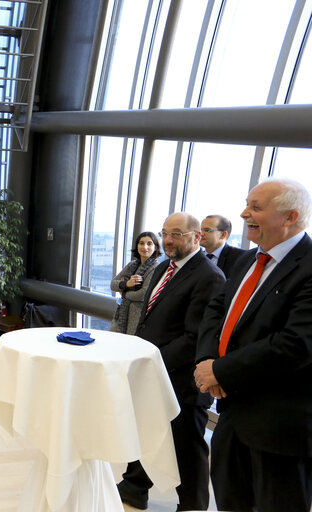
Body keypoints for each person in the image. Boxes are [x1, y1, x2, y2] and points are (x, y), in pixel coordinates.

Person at [194, 178, 312, 512]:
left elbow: (295, 344)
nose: (244, 213)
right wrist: (206, 362)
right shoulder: (247, 260)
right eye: (247, 203)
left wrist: (220, 370)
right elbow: (217, 310)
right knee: (230, 502)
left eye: (256, 207)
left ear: (290, 217)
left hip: (281, 428)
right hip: (233, 412)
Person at [116, 212, 225, 511]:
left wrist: (151, 359)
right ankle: (134, 487)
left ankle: (193, 505)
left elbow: (195, 338)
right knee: (146, 430)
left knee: (187, 447)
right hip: (155, 371)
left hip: (184, 379)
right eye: (165, 233)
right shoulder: (166, 266)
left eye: (176, 234)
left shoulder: (209, 277)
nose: (167, 240)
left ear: (197, 237)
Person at [109, 231, 161, 335]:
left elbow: (142, 295)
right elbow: (113, 284)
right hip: (122, 313)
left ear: (155, 247)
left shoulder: (156, 268)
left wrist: (123, 293)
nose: (144, 247)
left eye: (149, 244)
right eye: (141, 243)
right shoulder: (132, 265)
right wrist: (127, 284)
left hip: (138, 317)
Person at [200, 214, 247, 278]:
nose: (201, 234)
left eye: (207, 230)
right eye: (200, 230)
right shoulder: (197, 257)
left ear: (223, 235)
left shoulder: (240, 258)